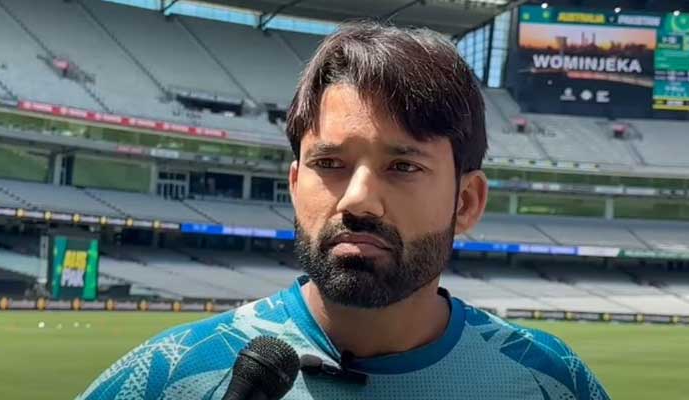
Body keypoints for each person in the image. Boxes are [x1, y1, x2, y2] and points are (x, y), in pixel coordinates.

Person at [78, 22, 609, 400]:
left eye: (403, 167)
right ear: (294, 184)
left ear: (465, 202)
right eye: (329, 163)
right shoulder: (171, 377)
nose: (357, 199)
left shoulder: (550, 382)